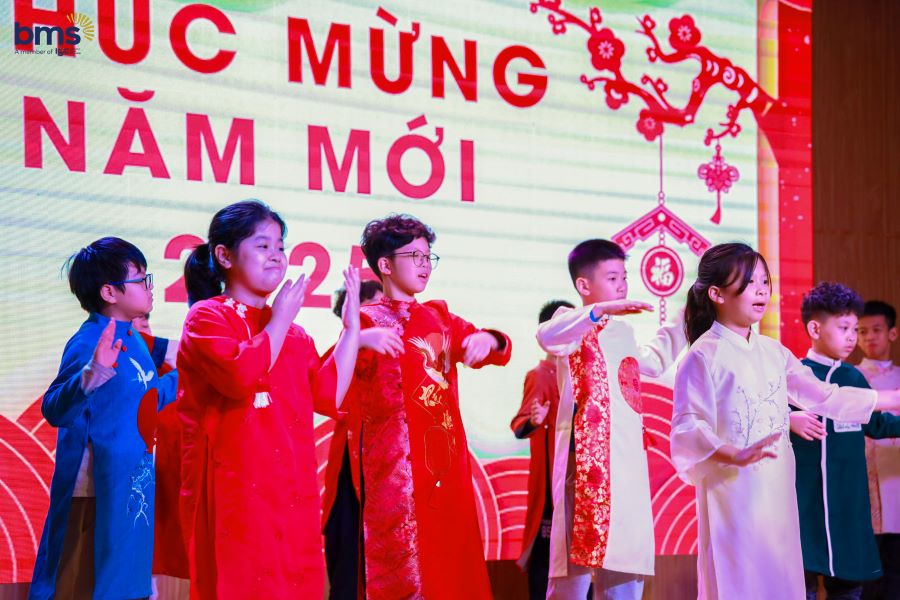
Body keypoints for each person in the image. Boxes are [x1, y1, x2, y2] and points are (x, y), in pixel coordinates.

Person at [670, 242, 900, 600]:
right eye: (749, 282)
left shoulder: (773, 351)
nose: (761, 291)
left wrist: (892, 398)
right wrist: (733, 453)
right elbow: (687, 427)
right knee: (739, 583)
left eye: (765, 281)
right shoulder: (702, 355)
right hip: (732, 492)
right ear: (716, 293)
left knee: (780, 582)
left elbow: (825, 396)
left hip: (777, 491)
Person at [177, 200, 360, 599]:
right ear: (224, 255)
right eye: (262, 246)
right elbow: (240, 376)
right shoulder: (207, 317)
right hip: (236, 493)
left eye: (280, 246)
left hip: (291, 492)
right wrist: (279, 319)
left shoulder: (294, 334)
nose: (276, 255)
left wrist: (351, 330)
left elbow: (329, 394)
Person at [345, 214, 511, 599]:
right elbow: (329, 381)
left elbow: (496, 349)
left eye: (427, 256)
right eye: (414, 256)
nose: (424, 265)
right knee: (403, 569)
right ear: (385, 265)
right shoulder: (366, 321)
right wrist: (358, 338)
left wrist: (487, 340)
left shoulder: (439, 317)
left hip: (445, 466)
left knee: (452, 567)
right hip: (394, 473)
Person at [536, 239, 687, 599]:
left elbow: (653, 362)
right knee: (572, 573)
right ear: (584, 285)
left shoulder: (622, 332)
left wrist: (685, 317)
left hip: (625, 462)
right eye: (612, 277)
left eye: (624, 277)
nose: (622, 285)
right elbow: (547, 336)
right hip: (585, 468)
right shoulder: (570, 323)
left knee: (624, 565)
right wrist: (599, 310)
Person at [30, 237, 177, 599]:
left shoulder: (134, 340)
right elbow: (54, 409)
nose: (149, 287)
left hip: (132, 484)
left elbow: (146, 399)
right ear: (109, 292)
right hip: (96, 493)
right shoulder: (90, 340)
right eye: (140, 279)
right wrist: (91, 374)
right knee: (83, 586)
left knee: (124, 584)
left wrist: (185, 377)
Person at [790, 283, 900, 600]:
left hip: (848, 504)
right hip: (803, 502)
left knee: (849, 588)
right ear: (815, 328)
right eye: (844, 328)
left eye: (854, 328)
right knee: (801, 586)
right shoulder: (796, 374)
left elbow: (877, 424)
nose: (852, 337)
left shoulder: (853, 377)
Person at [322, 279, 382, 600]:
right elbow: (323, 388)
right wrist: (356, 338)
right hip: (351, 464)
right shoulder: (347, 350)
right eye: (375, 305)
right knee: (347, 567)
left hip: (387, 469)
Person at [511, 300, 573, 600]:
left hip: (577, 481)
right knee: (547, 560)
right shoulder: (541, 374)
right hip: (553, 485)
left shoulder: (577, 374)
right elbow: (521, 423)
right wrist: (535, 421)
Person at [856, 300, 900, 600]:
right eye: (862, 331)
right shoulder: (851, 378)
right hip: (863, 487)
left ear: (892, 333)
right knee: (868, 580)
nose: (869, 337)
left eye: (876, 330)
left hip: (895, 481)